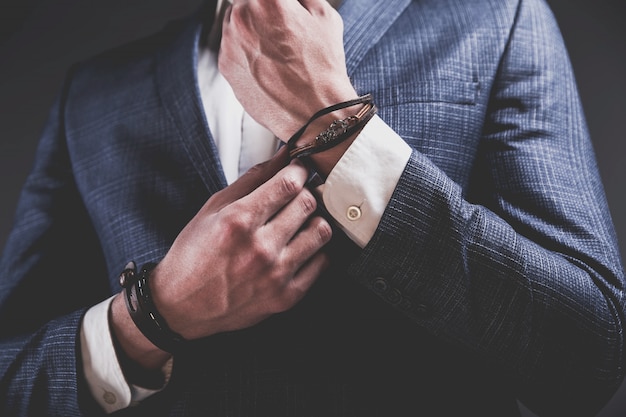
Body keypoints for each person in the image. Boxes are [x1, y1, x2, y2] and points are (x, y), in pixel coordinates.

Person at [0, 0, 624, 415]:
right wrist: (153, 316)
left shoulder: (497, 17)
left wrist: (336, 125)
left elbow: (590, 356)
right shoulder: (96, 91)